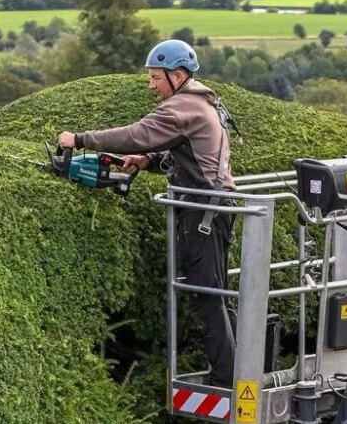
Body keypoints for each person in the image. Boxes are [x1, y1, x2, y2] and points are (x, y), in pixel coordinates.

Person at [58, 39, 237, 387]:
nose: (151, 85)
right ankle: (235, 369)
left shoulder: (181, 107)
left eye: (156, 77)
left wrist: (79, 139)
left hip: (203, 212)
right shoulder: (200, 104)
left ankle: (226, 379)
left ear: (178, 74)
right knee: (216, 292)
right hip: (212, 210)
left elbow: (137, 134)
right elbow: (187, 153)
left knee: (207, 296)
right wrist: (148, 161)